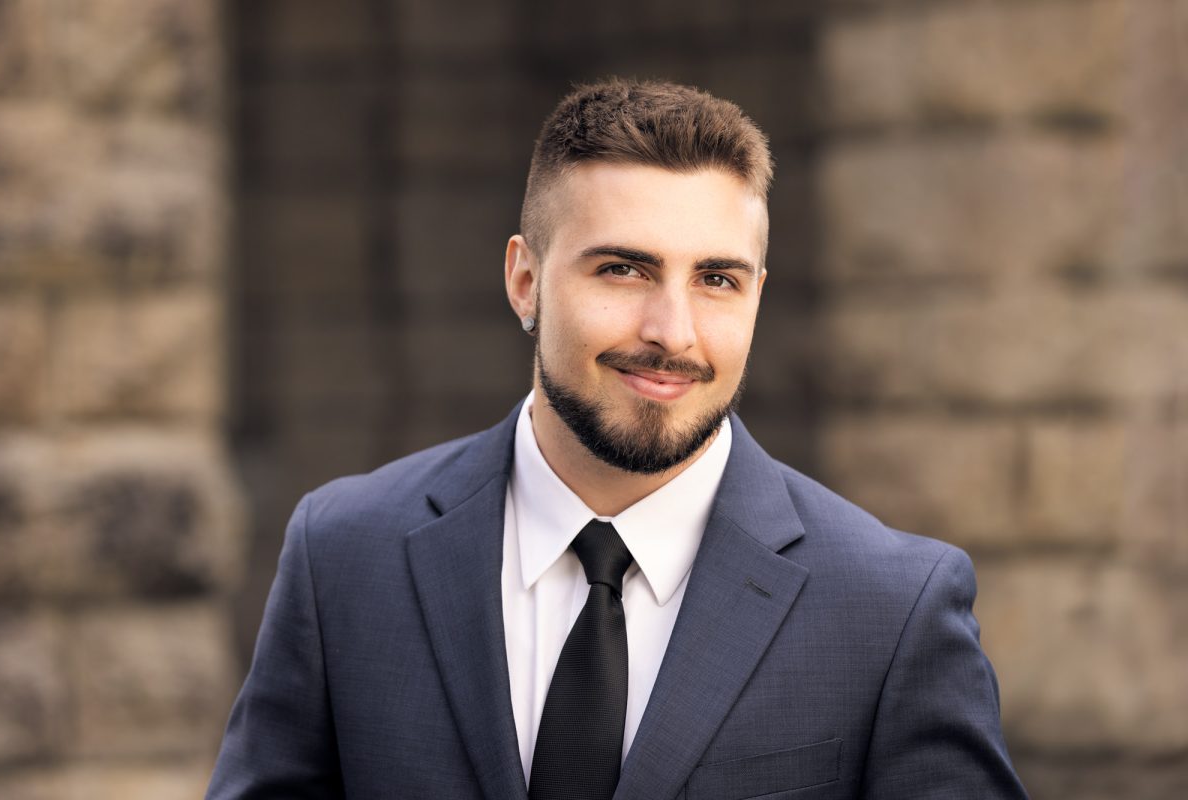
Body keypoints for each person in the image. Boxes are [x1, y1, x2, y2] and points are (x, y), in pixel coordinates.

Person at [208, 78, 1027, 799]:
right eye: (623, 270)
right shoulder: (345, 556)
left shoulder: (892, 609)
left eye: (716, 280)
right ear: (524, 280)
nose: (673, 333)